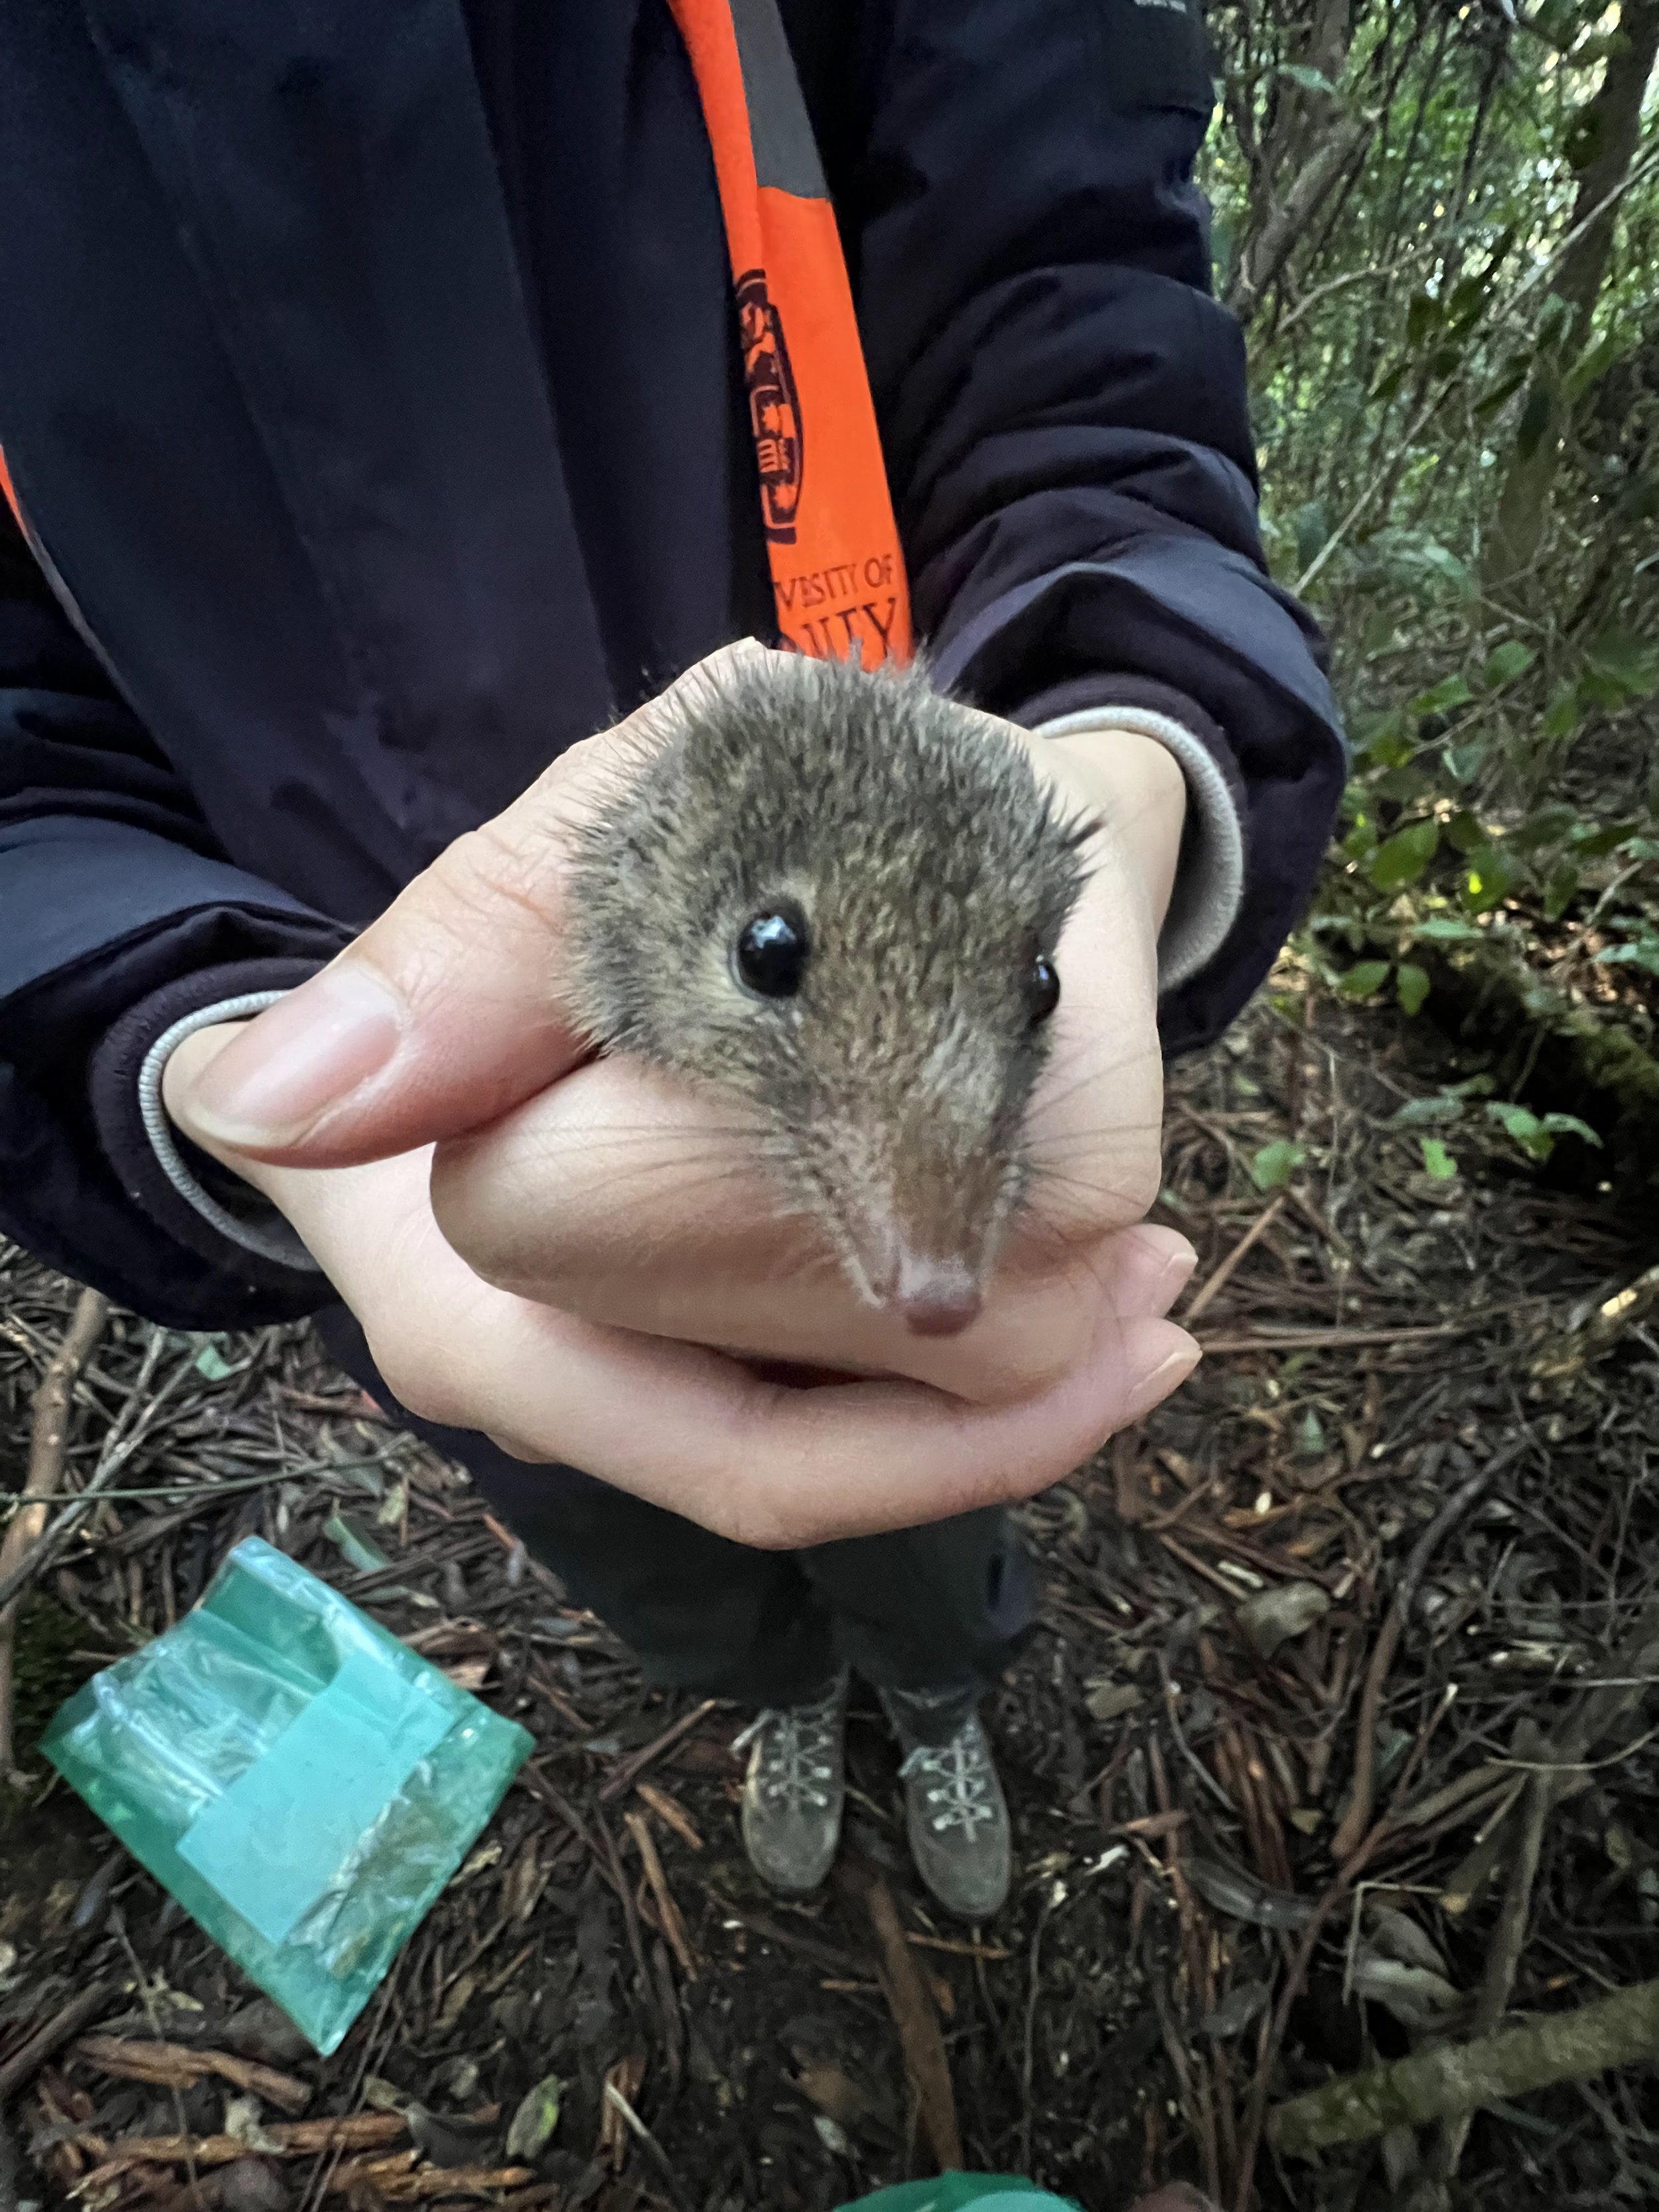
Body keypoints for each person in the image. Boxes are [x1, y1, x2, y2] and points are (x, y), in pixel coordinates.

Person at [0, 0, 1345, 1919]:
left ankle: (937, 1690)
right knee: (632, 1526)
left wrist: (1127, 742)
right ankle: (770, 1690)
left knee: (926, 1470)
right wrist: (213, 1061)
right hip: (433, 1244)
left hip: (861, 799)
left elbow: (1072, 310)